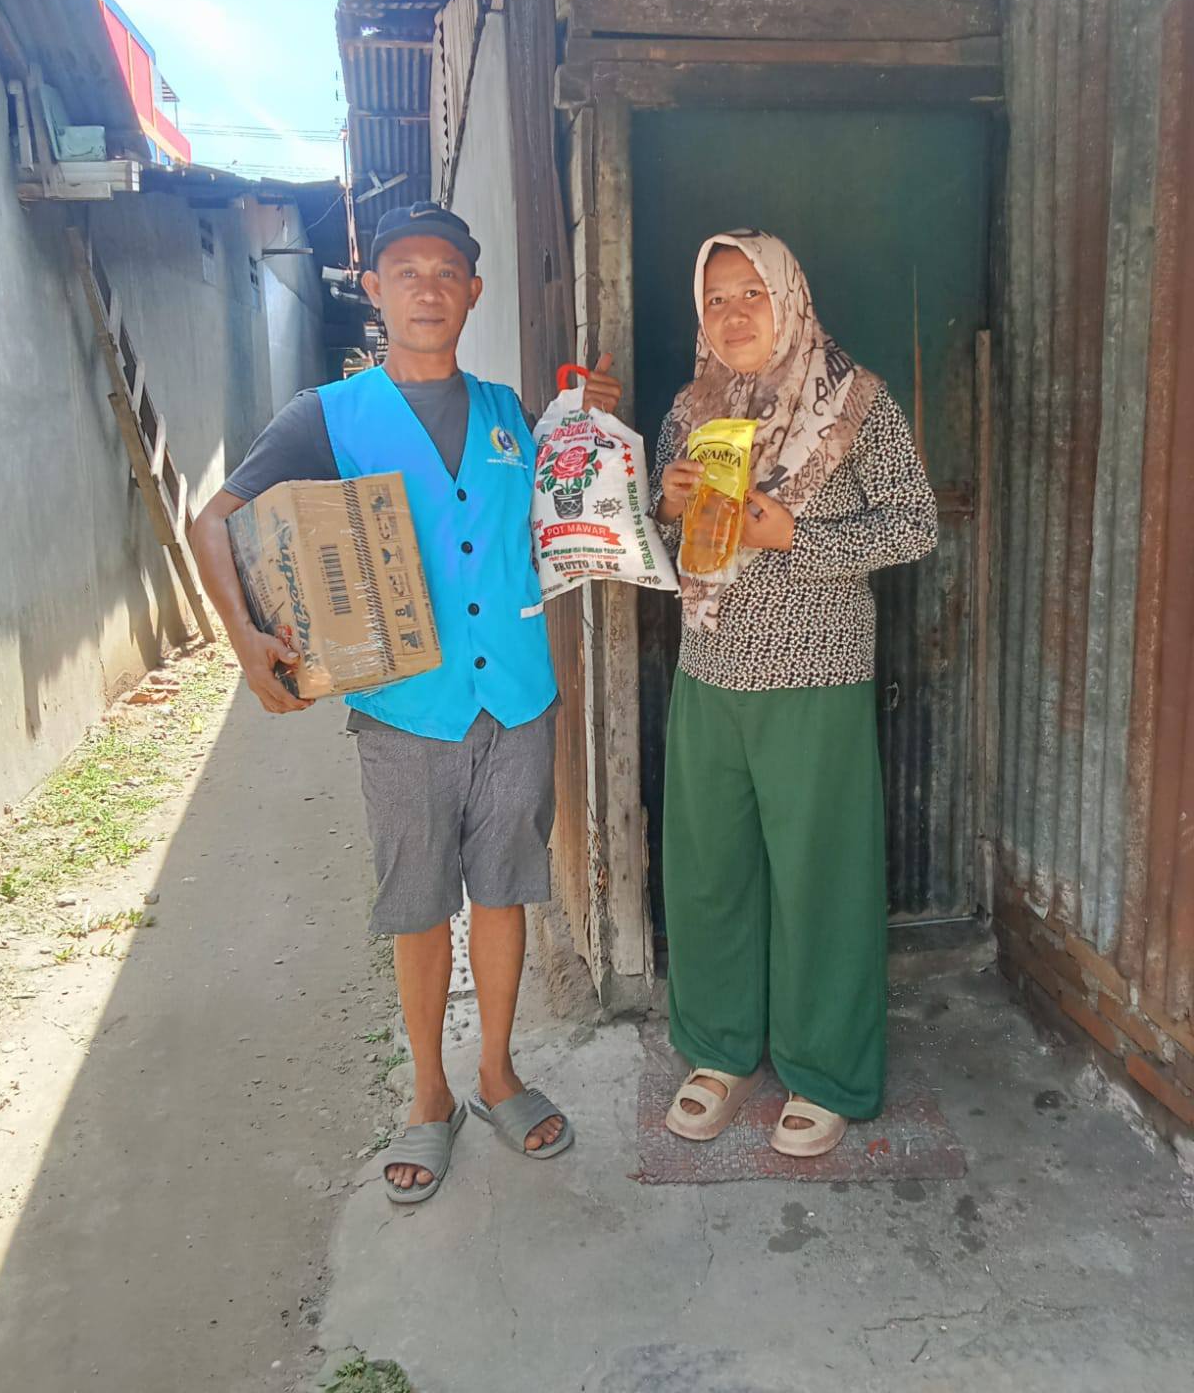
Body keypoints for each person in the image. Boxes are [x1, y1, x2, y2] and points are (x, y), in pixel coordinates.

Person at [191, 202, 621, 1204]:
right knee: (421, 907)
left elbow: (575, 507)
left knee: (504, 893)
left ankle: (497, 1073)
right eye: (406, 271)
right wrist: (248, 642)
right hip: (404, 711)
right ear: (375, 290)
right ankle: (430, 1094)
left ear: (474, 292)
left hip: (517, 698)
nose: (429, 287)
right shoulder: (327, 415)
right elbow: (213, 521)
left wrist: (591, 416)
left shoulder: (513, 413)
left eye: (447, 272)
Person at [651, 229, 936, 1158]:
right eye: (716, 300)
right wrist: (666, 504)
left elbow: (915, 524)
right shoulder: (692, 407)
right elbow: (661, 542)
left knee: (820, 874)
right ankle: (719, 1049)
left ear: (790, 296)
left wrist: (795, 540)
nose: (734, 315)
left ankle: (824, 1070)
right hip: (709, 668)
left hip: (815, 670)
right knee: (710, 867)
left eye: (752, 293)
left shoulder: (856, 402)